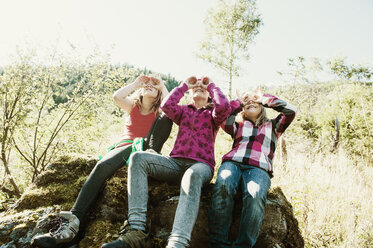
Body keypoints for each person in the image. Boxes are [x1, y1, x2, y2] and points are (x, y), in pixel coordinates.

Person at [31, 75, 173, 248]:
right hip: (124, 146)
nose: (150, 85)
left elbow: (171, 106)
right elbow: (117, 96)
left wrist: (163, 84)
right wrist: (135, 84)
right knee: (102, 166)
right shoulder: (133, 107)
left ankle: (76, 224)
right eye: (146, 84)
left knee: (165, 117)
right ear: (140, 91)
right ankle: (73, 224)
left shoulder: (159, 111)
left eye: (154, 85)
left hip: (145, 148)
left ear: (159, 93)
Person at [102, 76, 231, 248]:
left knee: (192, 175)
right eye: (196, 86)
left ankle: (177, 242)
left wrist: (212, 85)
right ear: (190, 94)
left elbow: (224, 108)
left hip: (201, 167)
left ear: (209, 96)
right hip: (175, 164)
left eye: (204, 87)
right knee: (138, 157)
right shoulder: (184, 110)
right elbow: (166, 106)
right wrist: (184, 86)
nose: (200, 86)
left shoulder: (213, 114)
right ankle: (137, 231)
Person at [208, 88, 297, 248]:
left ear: (262, 107)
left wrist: (263, 98)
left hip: (259, 169)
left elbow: (291, 111)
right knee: (224, 184)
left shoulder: (274, 126)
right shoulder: (237, 125)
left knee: (255, 193)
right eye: (246, 104)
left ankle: (243, 245)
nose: (251, 103)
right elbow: (222, 114)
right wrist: (240, 100)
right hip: (233, 163)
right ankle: (218, 243)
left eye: (255, 103)